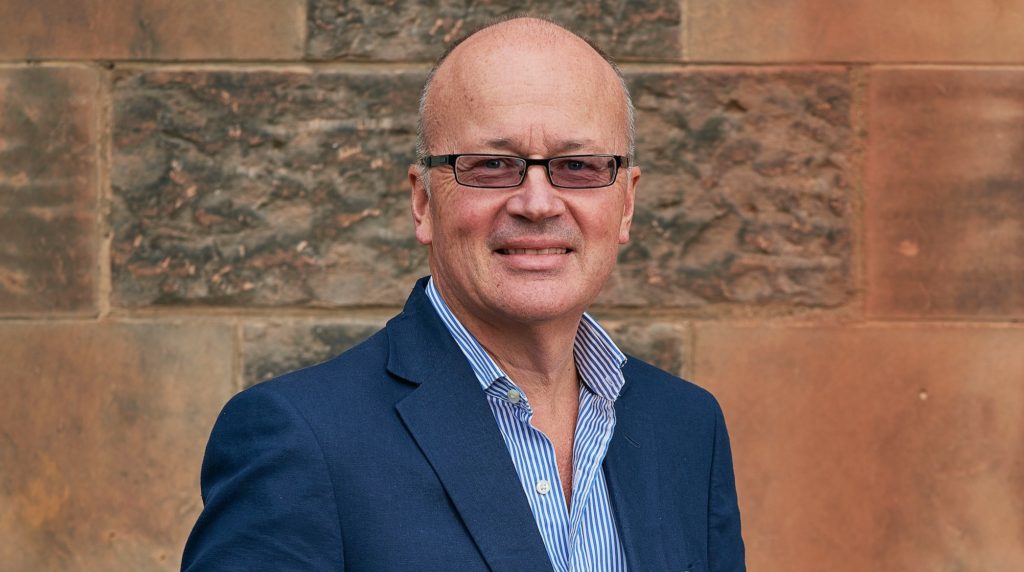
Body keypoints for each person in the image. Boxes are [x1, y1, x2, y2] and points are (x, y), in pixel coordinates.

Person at [182, 17, 744, 572]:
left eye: (578, 166)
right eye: (493, 166)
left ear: (626, 203)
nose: (538, 203)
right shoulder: (300, 438)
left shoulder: (686, 428)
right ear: (423, 201)